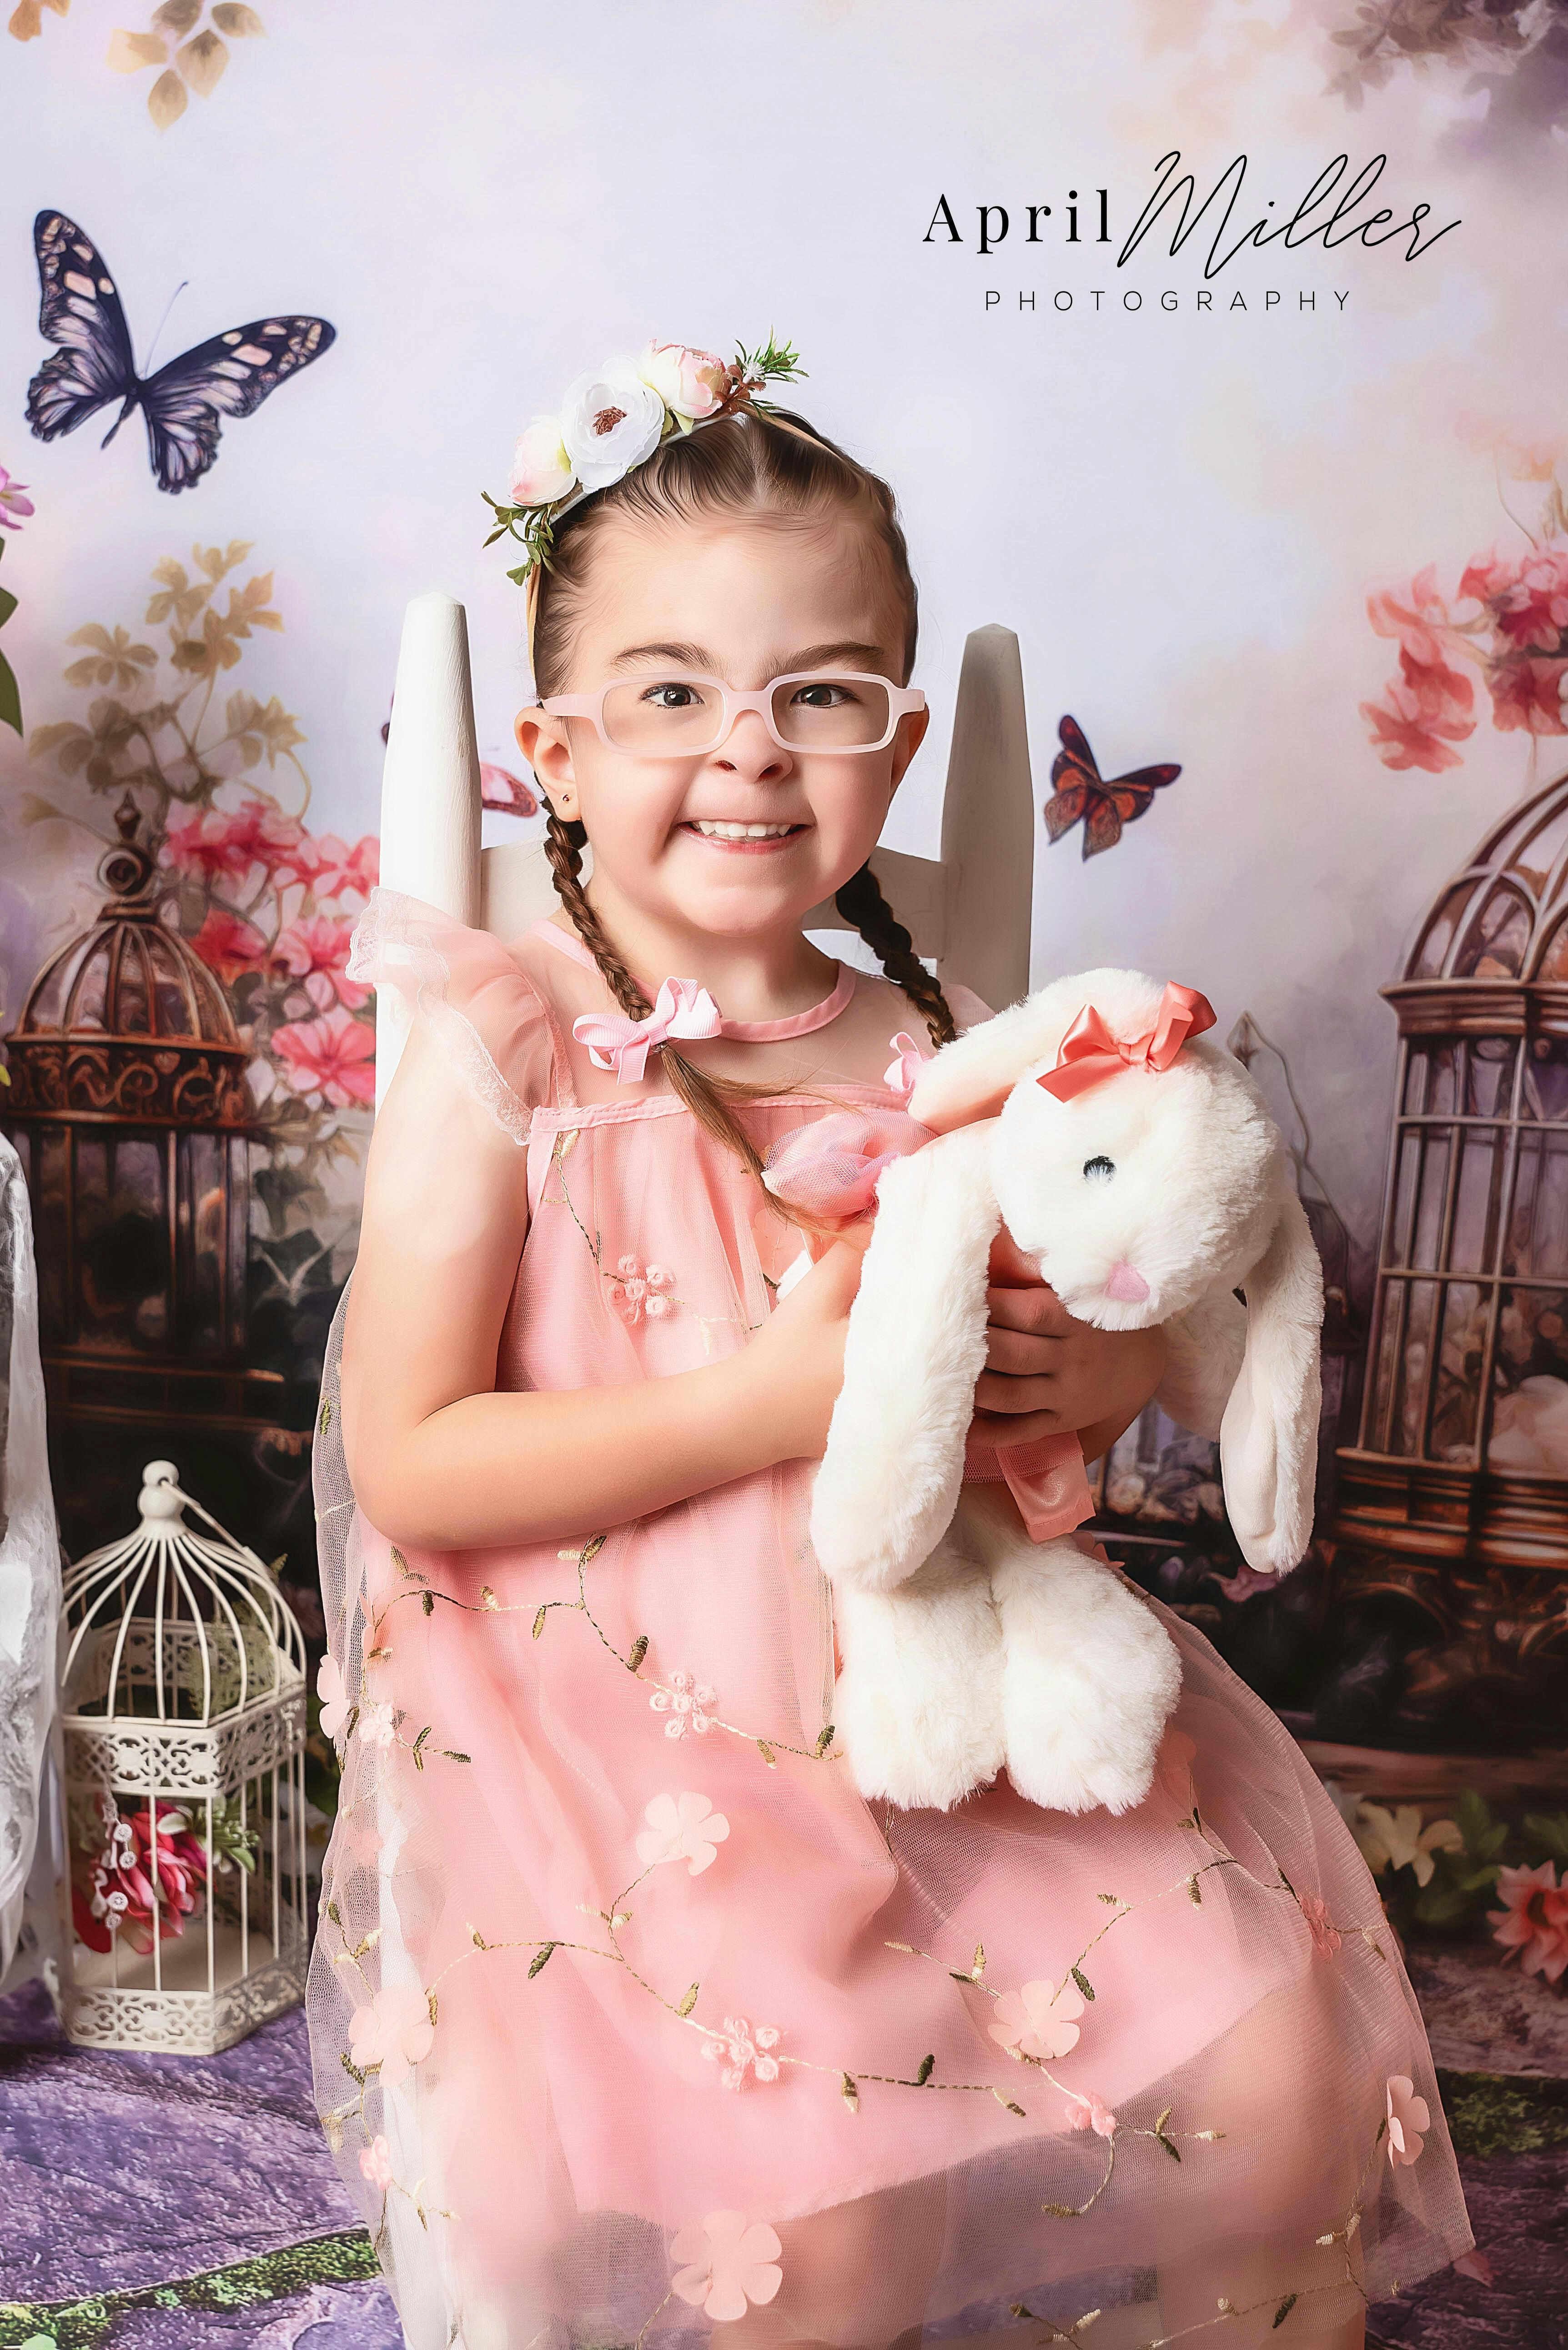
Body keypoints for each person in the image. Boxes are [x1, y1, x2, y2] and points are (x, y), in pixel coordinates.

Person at [307, 341, 1471, 2350]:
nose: (751, 754)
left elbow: (1086, 1310)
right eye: (673, 691)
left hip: (948, 1683)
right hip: (619, 1727)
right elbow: (408, 1458)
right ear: (556, 752)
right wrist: (762, 1404)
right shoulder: (512, 1051)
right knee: (830, 2232)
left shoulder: (954, 1055)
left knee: (1281, 2093)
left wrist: (1104, 1379)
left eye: (821, 695)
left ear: (900, 739)